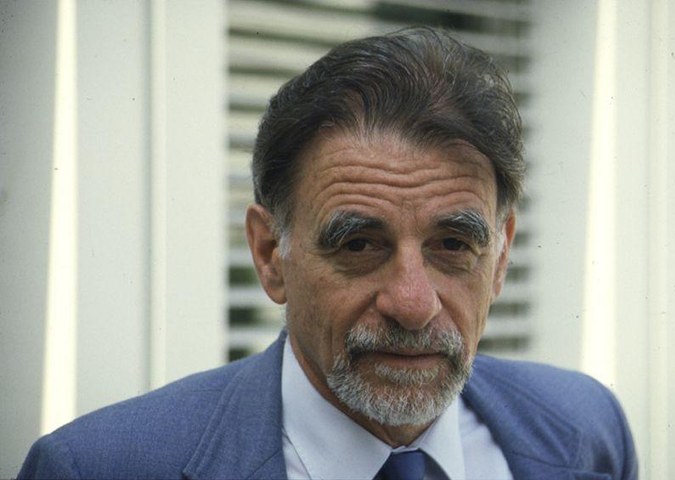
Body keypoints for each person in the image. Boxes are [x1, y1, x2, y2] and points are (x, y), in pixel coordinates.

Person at [19, 27, 637, 479]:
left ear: (499, 258)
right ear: (270, 255)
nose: (413, 304)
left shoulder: (588, 429)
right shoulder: (97, 467)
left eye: (453, 244)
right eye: (359, 244)